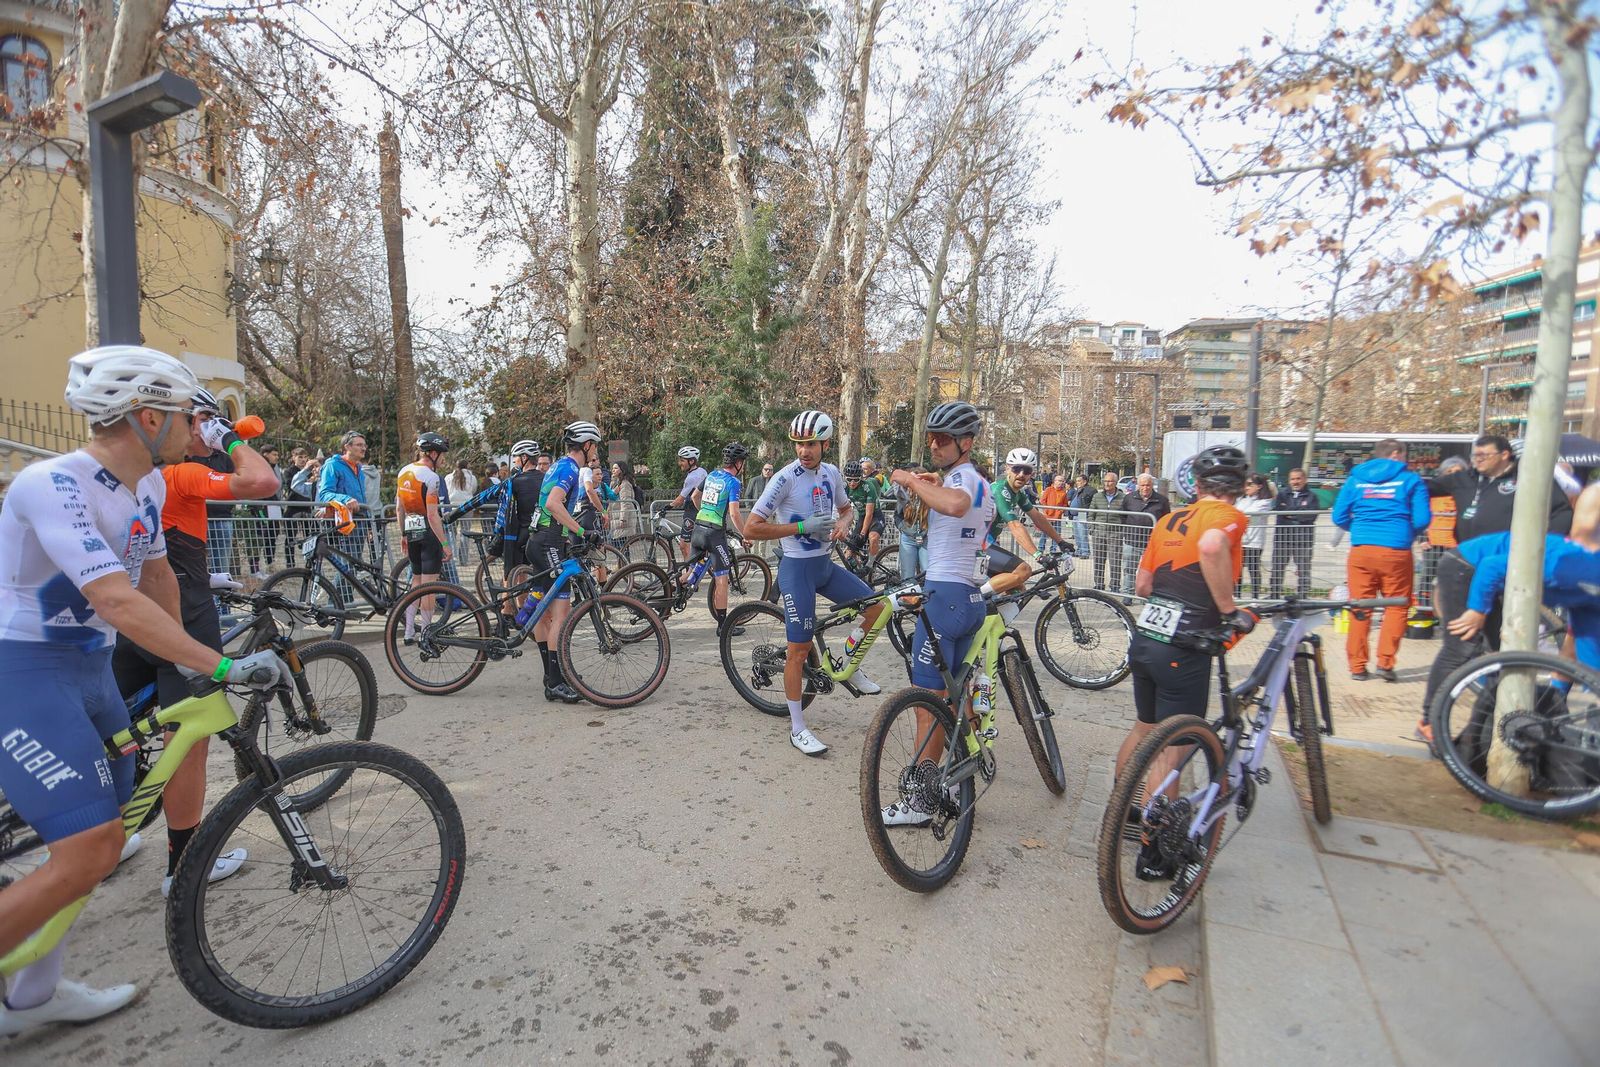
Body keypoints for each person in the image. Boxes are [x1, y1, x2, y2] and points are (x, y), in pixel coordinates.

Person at [0, 346, 286, 1036]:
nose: (200, 427)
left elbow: (155, 580)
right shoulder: (54, 483)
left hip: (90, 670)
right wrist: (216, 669)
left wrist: (192, 658)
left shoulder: (149, 486)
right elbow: (115, 599)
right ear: (148, 415)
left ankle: (33, 994)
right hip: (24, 670)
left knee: (109, 828)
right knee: (93, 842)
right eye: (191, 413)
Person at [110, 385, 280, 897]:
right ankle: (182, 866)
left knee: (119, 728)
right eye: (197, 419)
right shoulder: (179, 474)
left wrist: (212, 576)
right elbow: (262, 480)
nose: (198, 429)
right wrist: (227, 437)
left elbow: (159, 554)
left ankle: (107, 839)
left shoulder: (135, 479)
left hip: (137, 616)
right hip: (183, 619)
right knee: (189, 740)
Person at [1116, 446, 1254, 879]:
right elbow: (1213, 546)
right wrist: (1229, 609)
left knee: (1143, 730)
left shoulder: (1170, 519)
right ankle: (1155, 852)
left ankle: (1122, 813)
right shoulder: (1226, 518)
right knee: (1172, 753)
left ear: (1197, 484)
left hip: (1148, 637)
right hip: (1185, 646)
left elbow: (1142, 584)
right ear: (1238, 488)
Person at [879, 402, 998, 825]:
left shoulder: (963, 480)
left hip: (945, 596)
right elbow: (961, 503)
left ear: (966, 443)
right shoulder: (980, 481)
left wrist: (910, 478)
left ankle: (919, 802)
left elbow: (952, 505)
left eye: (943, 438)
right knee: (952, 697)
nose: (934, 444)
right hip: (968, 600)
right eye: (931, 437)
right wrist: (934, 480)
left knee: (926, 704)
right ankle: (949, 780)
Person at [744, 410, 884, 756]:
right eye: (798, 444)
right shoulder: (784, 479)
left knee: (878, 609)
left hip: (825, 565)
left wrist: (845, 523)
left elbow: (847, 508)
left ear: (825, 443)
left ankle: (846, 664)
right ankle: (797, 728)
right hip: (796, 569)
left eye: (810, 444)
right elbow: (751, 527)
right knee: (799, 651)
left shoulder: (832, 472)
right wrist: (801, 528)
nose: (803, 451)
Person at [1332, 438, 1430, 681]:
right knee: (1396, 607)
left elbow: (1338, 516)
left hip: (1362, 550)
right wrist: (1406, 532)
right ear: (1396, 454)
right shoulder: (1410, 480)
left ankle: (1357, 666)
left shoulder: (1355, 479)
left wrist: (1360, 528)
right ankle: (1385, 664)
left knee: (1360, 607)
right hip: (1396, 551)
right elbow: (1422, 519)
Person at [527, 421, 606, 704]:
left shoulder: (559, 465)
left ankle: (553, 676)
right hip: (548, 542)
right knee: (561, 614)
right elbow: (553, 504)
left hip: (541, 541)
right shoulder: (570, 468)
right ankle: (556, 681)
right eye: (594, 446)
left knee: (543, 614)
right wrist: (582, 531)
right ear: (585, 445)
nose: (595, 452)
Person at [1428, 433, 1574, 544]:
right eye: (1475, 455)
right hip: (1468, 554)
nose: (1478, 459)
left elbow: (1562, 511)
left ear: (1504, 455)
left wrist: (1545, 543)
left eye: (1484, 455)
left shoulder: (1529, 479)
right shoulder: (1463, 478)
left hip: (1507, 556)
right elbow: (1424, 488)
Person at [396, 432, 453, 644]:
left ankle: (409, 631)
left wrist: (403, 534)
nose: (444, 459)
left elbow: (399, 508)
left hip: (411, 531)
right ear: (434, 453)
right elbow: (432, 515)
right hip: (428, 534)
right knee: (429, 587)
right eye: (443, 455)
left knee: (416, 582)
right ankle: (427, 632)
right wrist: (445, 544)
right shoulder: (431, 478)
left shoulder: (404, 471)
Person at [693, 442, 751, 629]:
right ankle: (723, 627)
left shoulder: (711, 475)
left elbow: (695, 496)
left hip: (698, 527)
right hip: (714, 533)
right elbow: (734, 513)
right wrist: (745, 534)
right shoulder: (733, 482)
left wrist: (705, 513)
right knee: (721, 579)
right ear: (738, 463)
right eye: (742, 462)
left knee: (689, 574)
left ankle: (675, 592)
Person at [991, 448, 1070, 568]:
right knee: (1022, 570)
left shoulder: (1017, 493)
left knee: (1018, 585)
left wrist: (1060, 541)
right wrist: (1038, 555)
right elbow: (1015, 525)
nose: (1021, 474)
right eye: (1016, 469)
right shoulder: (1001, 489)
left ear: (1032, 473)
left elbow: (1037, 517)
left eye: (1027, 470)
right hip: (976, 544)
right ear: (1007, 469)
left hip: (989, 542)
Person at [1418, 455, 1468, 612]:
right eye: (1450, 471)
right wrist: (1421, 538)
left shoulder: (1466, 494)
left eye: (1457, 471)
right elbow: (1421, 517)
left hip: (1456, 545)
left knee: (1455, 578)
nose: (1453, 474)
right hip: (1434, 543)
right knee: (1428, 576)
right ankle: (1423, 610)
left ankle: (1449, 611)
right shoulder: (1432, 493)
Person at [1269, 468, 1319, 598]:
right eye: (1293, 479)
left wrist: (1290, 513)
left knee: (1303, 568)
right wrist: (1298, 513)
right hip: (1283, 538)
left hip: (1303, 539)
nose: (1295, 482)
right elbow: (1279, 511)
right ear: (1289, 480)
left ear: (1304, 479)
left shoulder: (1312, 496)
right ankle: (1274, 594)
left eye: (1298, 478)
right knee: (1277, 567)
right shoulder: (1282, 495)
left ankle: (1303, 595)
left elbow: (1310, 516)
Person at [1118, 473, 1171, 594]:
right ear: (1138, 485)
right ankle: (1128, 593)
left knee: (1151, 570)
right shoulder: (1129, 498)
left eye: (1148, 485)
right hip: (1132, 540)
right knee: (1129, 569)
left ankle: (1147, 594)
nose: (1145, 488)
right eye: (1142, 485)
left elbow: (1166, 520)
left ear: (1152, 485)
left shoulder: (1162, 501)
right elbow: (1123, 516)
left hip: (1152, 542)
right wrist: (1128, 531)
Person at [891, 465, 931, 581]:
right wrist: (903, 528)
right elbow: (897, 515)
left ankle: (927, 597)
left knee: (928, 574)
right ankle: (908, 598)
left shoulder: (930, 497)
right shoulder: (905, 496)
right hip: (908, 538)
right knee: (907, 576)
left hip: (927, 539)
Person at [1237, 475, 1274, 596]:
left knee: (1253, 570)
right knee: (1237, 570)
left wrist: (1238, 515)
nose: (1246, 487)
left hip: (1254, 541)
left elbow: (1247, 514)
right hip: (1239, 540)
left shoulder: (1265, 501)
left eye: (1250, 484)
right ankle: (1236, 595)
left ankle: (1255, 597)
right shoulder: (1241, 500)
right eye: (1245, 484)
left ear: (1259, 486)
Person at [669, 446, 707, 563]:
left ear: (692, 461)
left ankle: (689, 573)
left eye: (682, 460)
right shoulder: (702, 471)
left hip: (691, 512)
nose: (679, 463)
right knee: (695, 544)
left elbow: (680, 499)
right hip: (700, 511)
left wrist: (666, 507)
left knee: (684, 545)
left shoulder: (692, 477)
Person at [1089, 471, 1127, 590]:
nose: (1107, 483)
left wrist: (1122, 530)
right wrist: (1092, 528)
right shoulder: (1097, 496)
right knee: (1099, 560)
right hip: (1099, 532)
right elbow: (1091, 513)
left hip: (1115, 533)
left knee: (1115, 560)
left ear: (1115, 483)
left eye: (1109, 481)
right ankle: (1099, 584)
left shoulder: (1123, 497)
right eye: (1105, 481)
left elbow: (1126, 516)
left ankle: (1115, 585)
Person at [843, 459, 884, 559]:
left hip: (875, 516)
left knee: (873, 538)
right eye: (849, 479)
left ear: (861, 478)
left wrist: (862, 534)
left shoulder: (868, 486)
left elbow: (869, 514)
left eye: (856, 480)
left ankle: (870, 565)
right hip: (862, 516)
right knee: (850, 550)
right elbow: (843, 508)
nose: (852, 483)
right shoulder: (845, 488)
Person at [1068, 474, 1094, 559]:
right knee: (1077, 534)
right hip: (1075, 515)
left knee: (1083, 534)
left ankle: (1085, 552)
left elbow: (1092, 503)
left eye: (1079, 481)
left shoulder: (1090, 490)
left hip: (1082, 514)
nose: (1077, 483)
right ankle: (1079, 550)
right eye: (1077, 481)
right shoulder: (1077, 490)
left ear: (1085, 481)